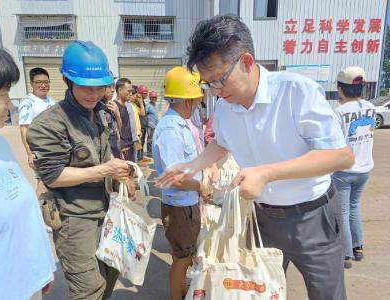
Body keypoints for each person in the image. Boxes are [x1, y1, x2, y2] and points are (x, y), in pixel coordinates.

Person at [157, 16, 355, 300]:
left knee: (327, 294)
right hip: (263, 218)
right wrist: (192, 165)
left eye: (220, 80)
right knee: (261, 290)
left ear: (246, 62)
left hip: (313, 218)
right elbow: (221, 145)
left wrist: (267, 173)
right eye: (208, 84)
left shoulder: (295, 92)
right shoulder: (226, 108)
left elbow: (340, 156)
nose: (216, 92)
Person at [27, 41, 134, 300]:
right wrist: (104, 170)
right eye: (86, 87)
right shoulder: (48, 124)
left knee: (110, 275)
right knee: (88, 289)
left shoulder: (99, 114)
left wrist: (123, 174)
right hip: (75, 221)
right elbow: (53, 175)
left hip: (107, 212)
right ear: (67, 80)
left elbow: (107, 151)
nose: (94, 94)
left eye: (100, 87)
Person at [0, 42, 55, 300]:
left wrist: (42, 266)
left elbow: (22, 213)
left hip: (28, 283)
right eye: (4, 94)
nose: (10, 105)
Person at [153, 66, 212, 300]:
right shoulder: (170, 129)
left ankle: (181, 291)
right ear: (189, 100)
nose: (199, 102)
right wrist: (201, 186)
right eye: (198, 98)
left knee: (187, 253)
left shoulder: (181, 124)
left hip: (186, 202)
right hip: (179, 206)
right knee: (182, 257)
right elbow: (175, 178)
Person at [332, 66, 375, 269]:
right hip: (365, 169)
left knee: (342, 212)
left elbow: (335, 143)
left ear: (341, 89)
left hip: (345, 171)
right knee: (354, 207)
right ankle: (358, 247)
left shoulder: (339, 112)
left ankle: (346, 254)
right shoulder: (370, 107)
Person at [18, 67, 55, 197]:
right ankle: (40, 210)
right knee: (42, 181)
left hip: (55, 149)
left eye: (46, 81)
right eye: (39, 82)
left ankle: (52, 210)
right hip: (40, 150)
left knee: (54, 180)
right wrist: (29, 153)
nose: (43, 85)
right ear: (32, 83)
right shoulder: (27, 102)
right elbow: (24, 128)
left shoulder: (51, 101)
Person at [115, 78, 136, 162]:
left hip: (130, 145)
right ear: (120, 90)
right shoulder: (115, 107)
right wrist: (119, 150)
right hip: (123, 149)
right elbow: (115, 131)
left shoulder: (125, 106)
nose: (131, 94)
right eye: (128, 91)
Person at [100, 82, 122, 159]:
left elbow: (118, 129)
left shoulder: (111, 105)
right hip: (107, 154)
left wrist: (117, 114)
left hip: (115, 149)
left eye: (113, 87)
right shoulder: (96, 108)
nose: (113, 90)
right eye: (109, 87)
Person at [137, 84, 150, 160]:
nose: (146, 95)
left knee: (142, 143)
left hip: (144, 126)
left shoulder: (143, 102)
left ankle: (141, 157)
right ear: (140, 93)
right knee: (140, 144)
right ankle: (139, 159)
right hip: (140, 127)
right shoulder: (138, 102)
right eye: (145, 93)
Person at [145, 91, 159, 156]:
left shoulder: (155, 105)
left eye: (155, 97)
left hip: (155, 125)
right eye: (153, 97)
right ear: (150, 98)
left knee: (153, 139)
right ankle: (149, 152)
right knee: (150, 138)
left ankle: (151, 151)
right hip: (150, 125)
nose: (154, 99)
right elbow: (144, 114)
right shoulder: (148, 106)